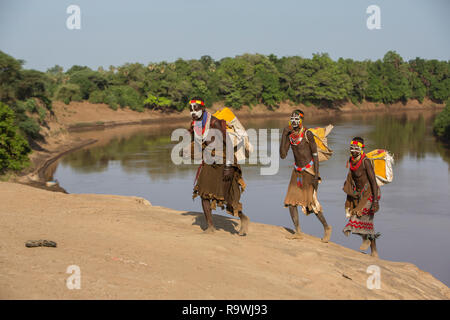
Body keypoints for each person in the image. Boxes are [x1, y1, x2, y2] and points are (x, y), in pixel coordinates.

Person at [187, 97, 249, 235]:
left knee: (228, 196)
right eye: (190, 109)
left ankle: (243, 218)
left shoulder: (214, 122)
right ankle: (210, 227)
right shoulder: (195, 125)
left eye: (195, 109)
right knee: (203, 193)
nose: (193, 112)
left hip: (224, 161)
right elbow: (196, 144)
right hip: (208, 161)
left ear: (203, 109)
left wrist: (228, 167)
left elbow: (228, 144)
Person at [280, 110, 332, 242]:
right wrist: (284, 134)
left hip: (309, 171)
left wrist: (316, 175)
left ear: (301, 120)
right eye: (292, 118)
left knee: (311, 203)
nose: (294, 121)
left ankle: (326, 227)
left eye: (296, 118)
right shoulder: (291, 136)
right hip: (297, 172)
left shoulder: (307, 134)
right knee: (291, 202)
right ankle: (298, 231)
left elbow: (315, 155)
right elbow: (282, 155)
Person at [342, 137, 380, 258]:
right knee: (364, 222)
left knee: (360, 218)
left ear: (361, 149)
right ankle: (372, 248)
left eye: (356, 148)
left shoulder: (365, 162)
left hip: (370, 193)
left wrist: (375, 201)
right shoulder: (351, 160)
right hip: (360, 194)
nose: (353, 151)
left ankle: (373, 250)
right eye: (351, 148)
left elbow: (373, 182)